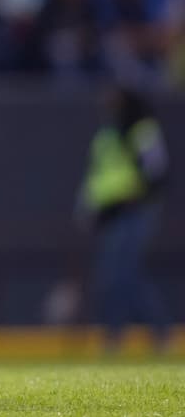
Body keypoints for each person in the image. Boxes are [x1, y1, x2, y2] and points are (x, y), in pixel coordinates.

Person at [80, 84, 171, 352]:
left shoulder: (143, 129)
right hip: (111, 214)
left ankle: (145, 332)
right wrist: (89, 207)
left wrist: (139, 196)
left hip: (135, 210)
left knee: (123, 274)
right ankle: (122, 333)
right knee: (115, 275)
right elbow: (97, 174)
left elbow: (156, 170)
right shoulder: (107, 133)